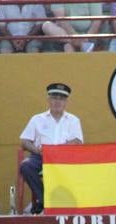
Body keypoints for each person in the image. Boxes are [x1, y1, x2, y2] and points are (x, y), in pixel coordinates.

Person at [18, 82, 82, 215]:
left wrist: (57, 150)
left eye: (61, 98)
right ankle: (46, 201)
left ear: (66, 102)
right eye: (54, 98)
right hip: (41, 157)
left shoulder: (73, 120)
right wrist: (38, 151)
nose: (57, 101)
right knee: (25, 166)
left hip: (64, 159)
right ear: (48, 100)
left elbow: (77, 142)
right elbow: (24, 141)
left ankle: (53, 203)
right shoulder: (37, 119)